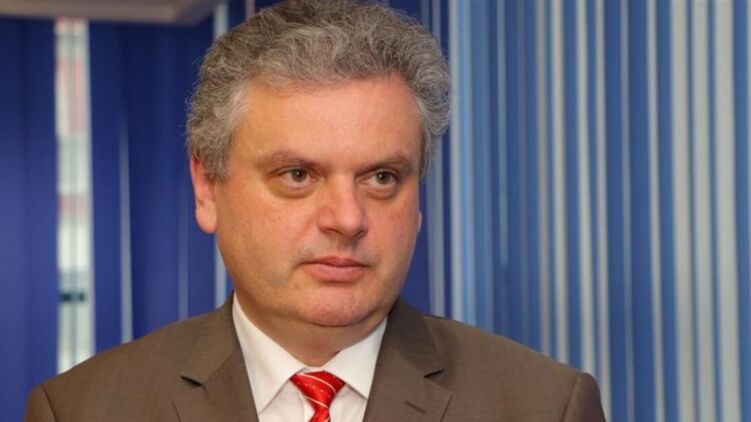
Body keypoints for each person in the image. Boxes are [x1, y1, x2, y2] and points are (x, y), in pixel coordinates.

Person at [25, 0, 605, 420]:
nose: (347, 219)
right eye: (298, 175)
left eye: (382, 177)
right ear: (207, 187)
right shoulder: (82, 408)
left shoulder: (544, 405)